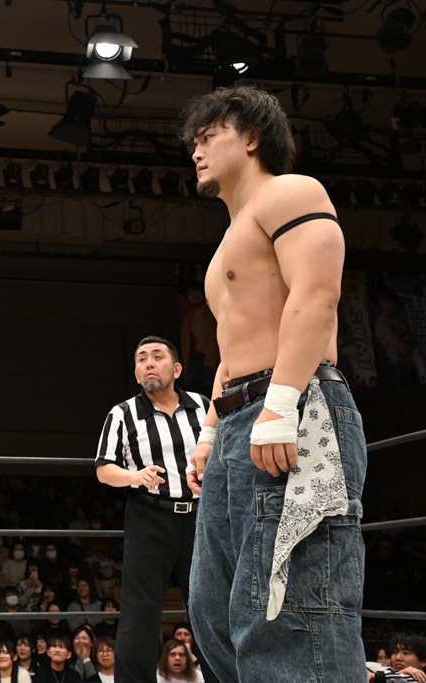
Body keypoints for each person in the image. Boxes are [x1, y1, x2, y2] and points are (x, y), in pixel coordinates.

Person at [181, 86, 367, 683]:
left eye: (209, 136)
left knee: (290, 608)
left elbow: (318, 292)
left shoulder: (292, 192)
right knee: (214, 610)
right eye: (193, 142)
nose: (196, 151)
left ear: (252, 138)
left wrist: (283, 403)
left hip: (296, 404)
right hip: (241, 419)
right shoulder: (227, 243)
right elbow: (230, 351)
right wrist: (210, 432)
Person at [94, 336, 209, 683]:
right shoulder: (122, 413)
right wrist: (135, 476)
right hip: (149, 516)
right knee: (140, 610)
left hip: (200, 517)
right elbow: (103, 469)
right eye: (142, 358)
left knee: (209, 605)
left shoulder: (203, 407)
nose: (148, 363)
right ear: (136, 372)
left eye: (157, 356)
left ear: (176, 369)